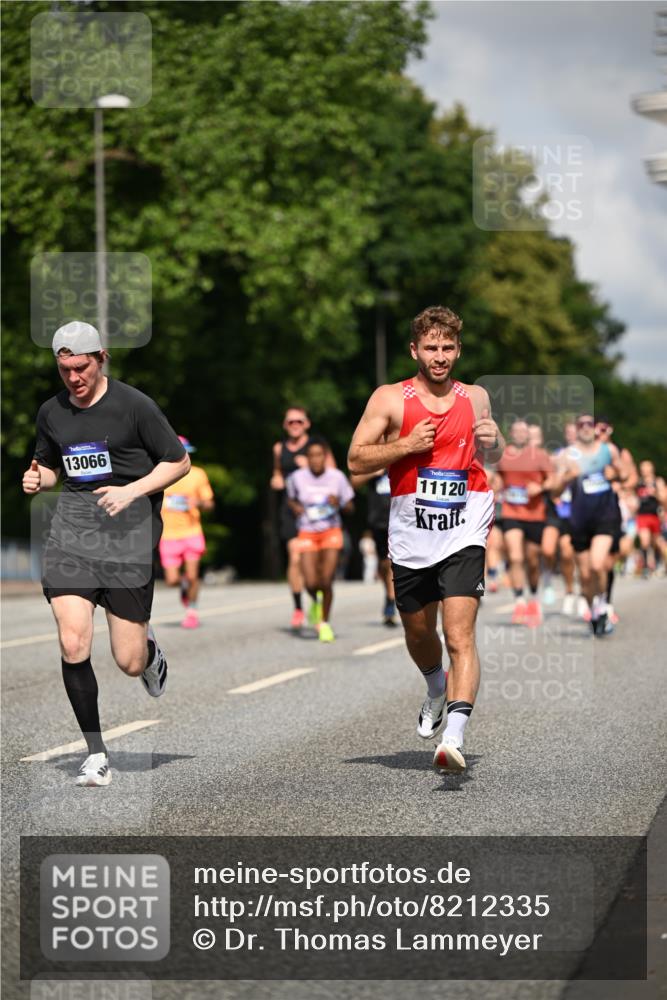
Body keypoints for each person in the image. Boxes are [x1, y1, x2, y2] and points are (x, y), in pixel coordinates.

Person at [22, 321, 190, 787]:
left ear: (101, 358)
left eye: (81, 367)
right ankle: (95, 752)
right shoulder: (50, 412)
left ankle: (150, 650)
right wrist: (39, 480)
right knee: (73, 642)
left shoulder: (135, 406)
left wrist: (132, 491)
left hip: (128, 544)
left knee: (128, 662)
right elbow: (53, 467)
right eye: (64, 369)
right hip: (72, 538)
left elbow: (179, 462)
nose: (73, 377)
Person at [348, 305, 503, 775]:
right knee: (418, 630)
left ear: (458, 349)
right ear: (414, 349)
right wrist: (406, 446)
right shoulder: (390, 399)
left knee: (460, 635)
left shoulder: (475, 397)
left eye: (448, 348)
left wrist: (494, 441)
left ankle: (454, 737)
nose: (440, 356)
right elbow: (355, 460)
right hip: (411, 529)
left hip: (464, 524)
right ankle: (436, 686)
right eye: (431, 348)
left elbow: (491, 454)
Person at [562, 412, 628, 636]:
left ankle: (602, 604)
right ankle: (593, 608)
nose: (587, 428)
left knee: (598, 564)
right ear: (577, 429)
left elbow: (625, 474)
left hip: (605, 515)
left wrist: (616, 474)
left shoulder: (608, 451)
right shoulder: (568, 455)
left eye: (590, 424)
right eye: (581, 425)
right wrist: (565, 477)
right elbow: (554, 488)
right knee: (586, 574)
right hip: (579, 519)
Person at [270, 407, 335, 629]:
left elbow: (333, 474)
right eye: (290, 422)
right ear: (285, 425)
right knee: (295, 557)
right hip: (291, 509)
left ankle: (317, 599)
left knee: (316, 566)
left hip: (317, 511)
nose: (295, 425)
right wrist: (276, 479)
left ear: (307, 424)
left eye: (299, 421)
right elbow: (277, 472)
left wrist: (309, 466)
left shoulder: (317, 446)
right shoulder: (279, 448)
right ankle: (298, 607)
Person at [286, 440, 354, 642]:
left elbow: (351, 507)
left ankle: (324, 623)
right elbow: (290, 498)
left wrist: (339, 502)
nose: (316, 459)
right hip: (307, 531)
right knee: (310, 581)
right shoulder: (297, 477)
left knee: (326, 579)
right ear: (307, 459)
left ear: (325, 457)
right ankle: (315, 602)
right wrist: (295, 507)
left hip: (331, 530)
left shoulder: (337, 477)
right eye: (312, 455)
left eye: (319, 455)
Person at [496, 420, 560, 627]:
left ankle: (533, 598)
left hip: (535, 514)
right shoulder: (503, 455)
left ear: (528, 435)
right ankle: (519, 601)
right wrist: (493, 485)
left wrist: (540, 487)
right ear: (512, 433)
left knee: (532, 560)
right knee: (515, 556)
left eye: (525, 431)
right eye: (517, 431)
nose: (521, 434)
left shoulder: (539, 456)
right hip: (511, 512)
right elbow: (498, 479)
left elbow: (553, 480)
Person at [159, 436, 215, 629]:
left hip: (192, 532)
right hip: (168, 535)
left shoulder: (198, 474)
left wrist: (197, 503)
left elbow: (209, 503)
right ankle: (184, 588)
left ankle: (192, 610)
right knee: (172, 580)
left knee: (192, 576)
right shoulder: (159, 474)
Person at [350, 470, 398, 625]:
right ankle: (389, 595)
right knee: (384, 564)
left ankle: (392, 600)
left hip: (402, 520)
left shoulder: (406, 451)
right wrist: (375, 472)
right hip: (379, 522)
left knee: (393, 562)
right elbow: (353, 482)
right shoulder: (377, 456)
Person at [635, 460, 667, 577]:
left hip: (655, 515)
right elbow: (634, 497)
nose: (644, 470)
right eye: (642, 468)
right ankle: (645, 567)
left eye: (646, 468)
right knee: (644, 541)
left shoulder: (657, 481)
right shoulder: (639, 482)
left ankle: (659, 563)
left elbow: (664, 499)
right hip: (642, 515)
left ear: (651, 468)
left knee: (657, 542)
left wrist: (655, 493)